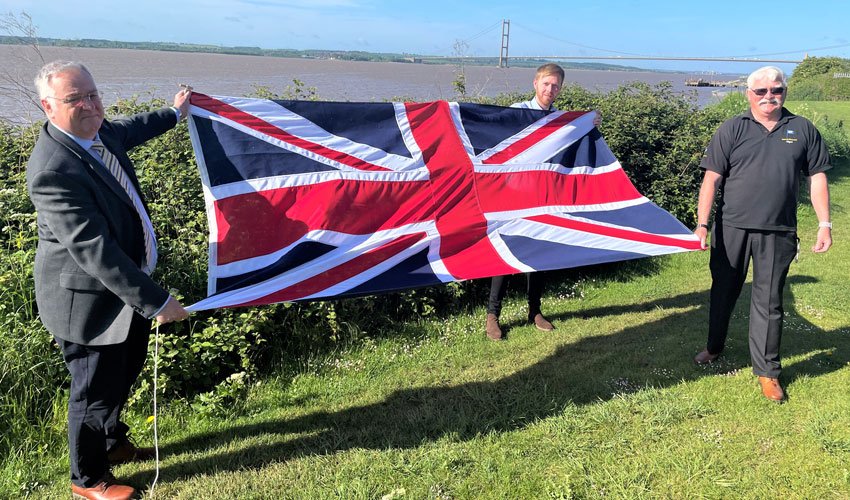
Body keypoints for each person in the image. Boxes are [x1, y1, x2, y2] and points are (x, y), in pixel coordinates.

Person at [27, 60, 191, 500]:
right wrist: (156, 301)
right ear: (48, 106)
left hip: (123, 297)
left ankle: (111, 441)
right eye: (73, 99)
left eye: (92, 94)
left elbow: (134, 127)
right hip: (88, 304)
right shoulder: (54, 168)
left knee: (125, 371)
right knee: (92, 392)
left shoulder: (100, 134)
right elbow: (93, 250)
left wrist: (175, 113)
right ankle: (88, 480)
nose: (89, 105)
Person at [693, 65, 832, 402]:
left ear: (785, 92)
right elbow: (711, 179)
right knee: (724, 291)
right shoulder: (731, 129)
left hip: (779, 230)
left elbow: (817, 179)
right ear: (749, 95)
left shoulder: (802, 129)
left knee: (769, 302)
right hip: (732, 228)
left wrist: (824, 223)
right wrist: (702, 223)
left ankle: (768, 372)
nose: (770, 96)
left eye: (777, 90)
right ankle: (714, 347)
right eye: (762, 91)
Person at [485, 63, 601, 340]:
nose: (550, 90)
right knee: (504, 254)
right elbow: (492, 135)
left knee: (538, 253)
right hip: (511, 195)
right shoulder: (517, 112)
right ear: (535, 83)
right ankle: (493, 315)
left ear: (560, 90)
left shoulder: (562, 120)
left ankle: (534, 310)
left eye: (556, 86)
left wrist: (590, 121)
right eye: (546, 84)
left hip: (542, 196)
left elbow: (577, 137)